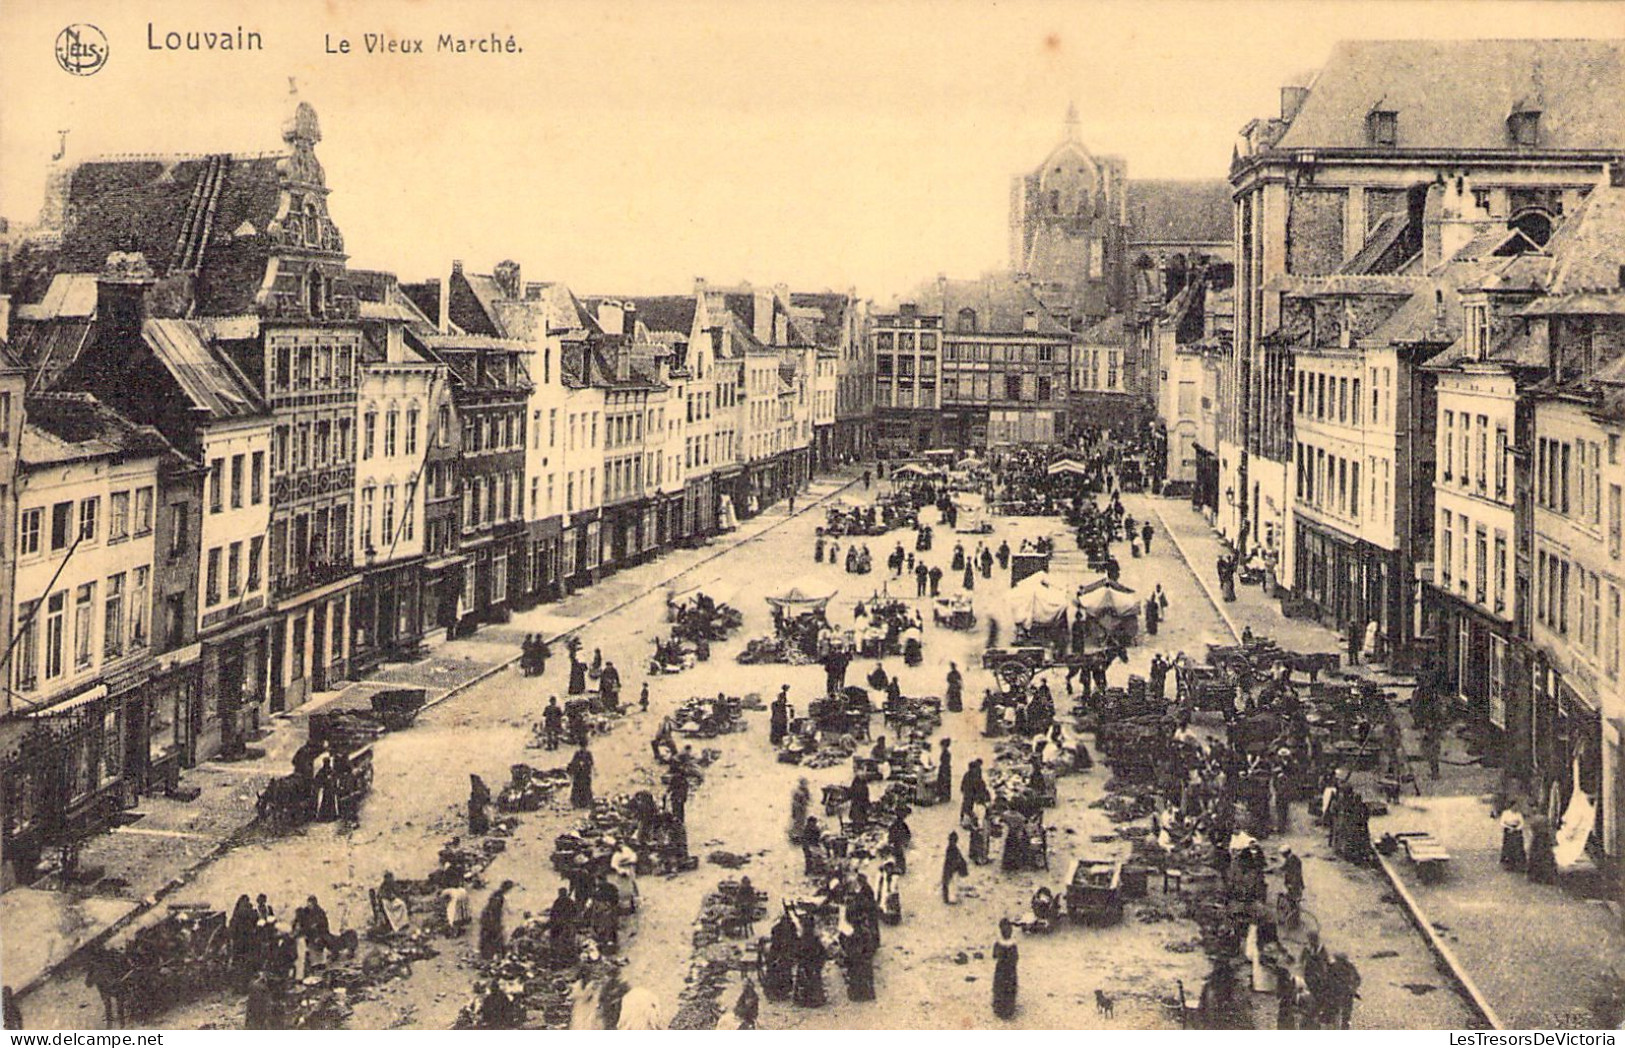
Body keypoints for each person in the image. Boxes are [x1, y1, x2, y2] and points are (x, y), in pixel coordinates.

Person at [763, 911, 798, 1001]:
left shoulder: (789, 928)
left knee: (782, 968)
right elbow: (775, 944)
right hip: (779, 953)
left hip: (785, 954)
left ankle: (781, 990)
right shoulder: (779, 929)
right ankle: (777, 990)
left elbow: (794, 942)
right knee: (777, 967)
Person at [793, 918, 828, 1008]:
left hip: (806, 966)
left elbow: (796, 953)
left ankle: (804, 999)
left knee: (805, 981)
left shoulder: (802, 940)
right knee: (812, 981)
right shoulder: (814, 940)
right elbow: (823, 953)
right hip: (811, 966)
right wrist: (819, 964)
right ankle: (813, 999)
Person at [991, 918, 1019, 1020]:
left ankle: (999, 1009)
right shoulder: (1013, 945)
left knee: (1000, 987)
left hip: (1001, 970)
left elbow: (994, 955)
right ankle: (1009, 1009)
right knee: (1010, 987)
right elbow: (1016, 958)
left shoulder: (998, 944)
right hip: (1011, 970)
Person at [1325, 952, 1362, 1029]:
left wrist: (1353, 987)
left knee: (1345, 1014)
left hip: (1346, 993)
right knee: (1337, 1014)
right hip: (1337, 993)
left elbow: (1357, 979)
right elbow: (1328, 980)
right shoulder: (1333, 967)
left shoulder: (1349, 966)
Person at [942, 831, 970, 904]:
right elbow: (953, 859)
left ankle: (949, 898)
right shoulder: (952, 849)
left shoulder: (952, 848)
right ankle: (950, 899)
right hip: (951, 868)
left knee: (951, 882)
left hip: (950, 868)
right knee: (950, 883)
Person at [1500, 802, 1527, 870]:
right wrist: (1509, 828)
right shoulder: (1506, 813)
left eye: (1517, 807)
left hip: (1517, 830)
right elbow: (1502, 823)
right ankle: (1509, 862)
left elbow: (1522, 823)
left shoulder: (1518, 814)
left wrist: (1516, 829)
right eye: (1514, 806)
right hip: (1508, 829)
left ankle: (1519, 862)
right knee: (1509, 845)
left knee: (1518, 845)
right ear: (1511, 806)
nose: (1516, 808)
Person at [568, 744, 595, 808]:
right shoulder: (577, 754)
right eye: (582, 747)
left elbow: (591, 763)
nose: (583, 748)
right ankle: (577, 803)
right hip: (578, 775)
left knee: (585, 789)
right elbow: (573, 763)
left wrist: (585, 765)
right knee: (578, 788)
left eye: (584, 747)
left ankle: (585, 802)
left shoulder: (588, 754)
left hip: (585, 775)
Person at [937, 738, 954, 803]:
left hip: (944, 768)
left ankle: (944, 796)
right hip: (945, 768)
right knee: (944, 782)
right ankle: (945, 796)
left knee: (944, 782)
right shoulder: (946, 752)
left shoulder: (946, 753)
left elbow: (944, 761)